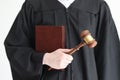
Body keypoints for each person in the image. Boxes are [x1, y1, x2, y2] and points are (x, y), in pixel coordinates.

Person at [4, 0, 120, 80]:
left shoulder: (97, 7)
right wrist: (45, 58)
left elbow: (109, 56)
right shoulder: (34, 5)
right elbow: (15, 48)